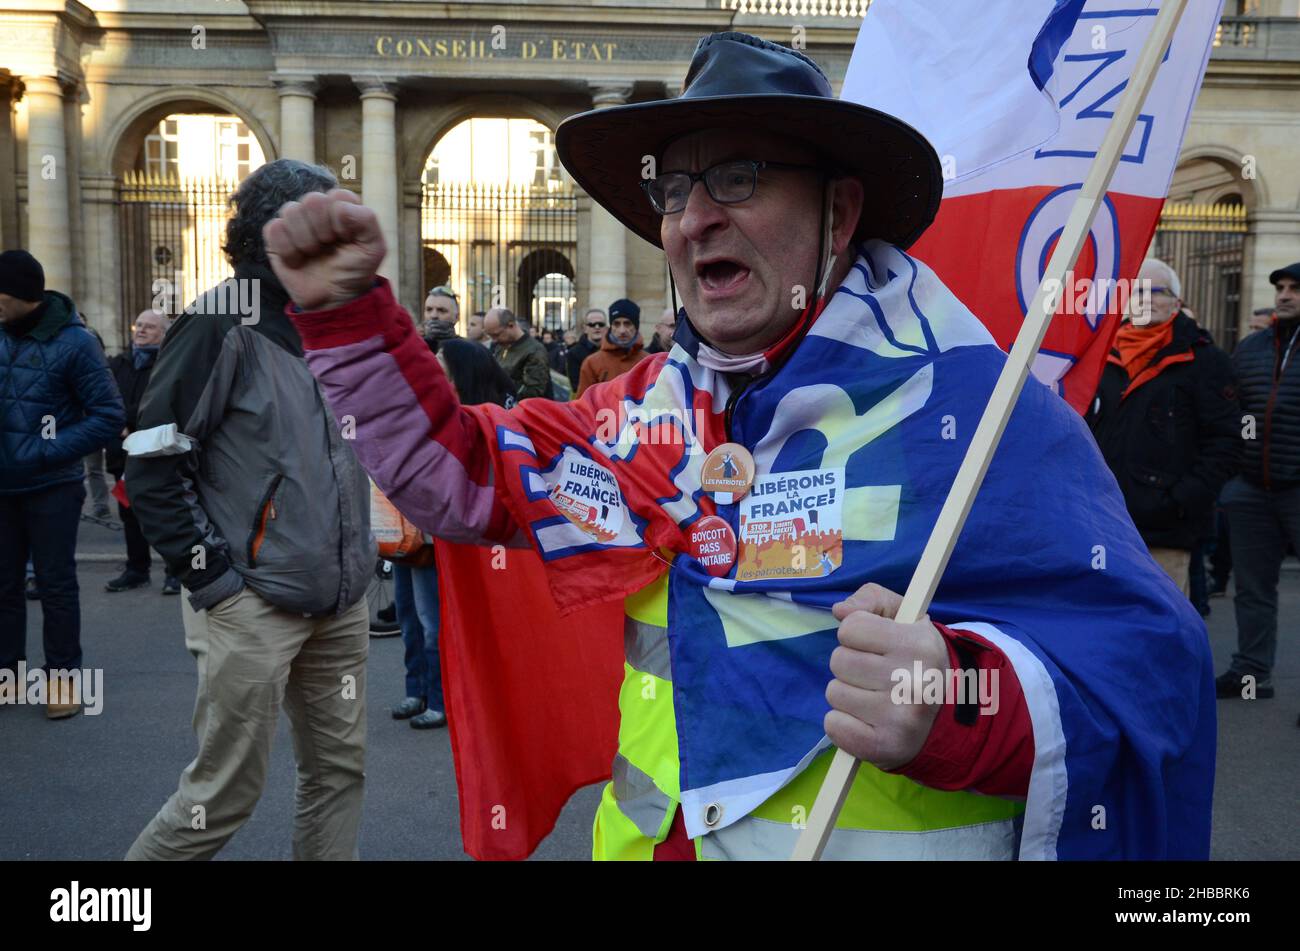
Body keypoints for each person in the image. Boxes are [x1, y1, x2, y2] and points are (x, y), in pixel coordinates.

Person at [265, 32, 1213, 860]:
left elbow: (1145, 672)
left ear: (840, 213)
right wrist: (350, 318)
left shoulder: (977, 411)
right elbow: (454, 476)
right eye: (675, 188)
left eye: (739, 177)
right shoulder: (636, 415)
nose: (692, 218)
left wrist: (955, 697)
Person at [123, 160, 374, 860]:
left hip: (342, 598)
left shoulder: (336, 319)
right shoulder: (216, 322)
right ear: (273, 233)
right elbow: (148, 460)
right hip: (252, 602)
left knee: (338, 774)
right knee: (220, 796)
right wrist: (216, 584)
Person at [0, 249, 124, 718]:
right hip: (2, 487)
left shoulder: (75, 343)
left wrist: (46, 450)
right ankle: (8, 678)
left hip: (52, 484)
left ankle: (63, 682)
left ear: (24, 297)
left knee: (54, 584)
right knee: (4, 586)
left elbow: (109, 415)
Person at [1087, 259, 1241, 595]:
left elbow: (1226, 442)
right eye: (1137, 290)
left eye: (1157, 291)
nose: (1145, 298)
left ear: (1177, 302)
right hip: (1103, 521)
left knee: (1160, 631)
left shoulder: (1205, 360)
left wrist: (1180, 500)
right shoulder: (1101, 355)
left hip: (1166, 530)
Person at [390, 339, 518, 731]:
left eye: (442, 366)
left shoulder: (477, 419)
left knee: (432, 622)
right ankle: (416, 691)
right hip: (404, 533)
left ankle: (441, 699)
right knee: (408, 617)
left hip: (436, 539)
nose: (434, 371)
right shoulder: (427, 408)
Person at [1215, 261, 1300, 701]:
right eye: (1281, 287)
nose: (1285, 295)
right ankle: (1251, 676)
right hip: (1251, 489)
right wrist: (1235, 474)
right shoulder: (1250, 349)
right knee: (1252, 588)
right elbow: (1234, 415)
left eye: (1295, 289)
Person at [104, 309, 180, 595]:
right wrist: (119, 423)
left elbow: (165, 402)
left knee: (166, 515)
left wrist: (128, 422)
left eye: (150, 327)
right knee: (129, 515)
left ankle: (175, 572)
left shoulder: (169, 362)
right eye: (139, 325)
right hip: (121, 451)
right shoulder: (118, 363)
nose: (142, 331)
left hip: (155, 451)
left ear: (163, 334)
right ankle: (137, 570)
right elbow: (104, 398)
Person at [576, 298, 649, 397]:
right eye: (616, 324)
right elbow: (583, 406)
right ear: (611, 326)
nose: (622, 330)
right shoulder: (592, 363)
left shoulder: (649, 361)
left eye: (627, 323)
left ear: (636, 326)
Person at [81, 323, 113, 521]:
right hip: (86, 421)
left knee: (121, 469)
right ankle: (100, 506)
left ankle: (128, 505)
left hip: (101, 422)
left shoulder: (110, 366)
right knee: (92, 469)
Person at [484, 306, 551, 400]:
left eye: (496, 335)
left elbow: (533, 391)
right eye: (490, 336)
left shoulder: (534, 350)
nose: (494, 340)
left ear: (511, 325)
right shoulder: (500, 346)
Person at [565, 307, 606, 391]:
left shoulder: (614, 351)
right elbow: (576, 387)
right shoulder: (574, 353)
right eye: (592, 324)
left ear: (606, 327)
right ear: (585, 328)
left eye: (601, 324)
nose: (597, 327)